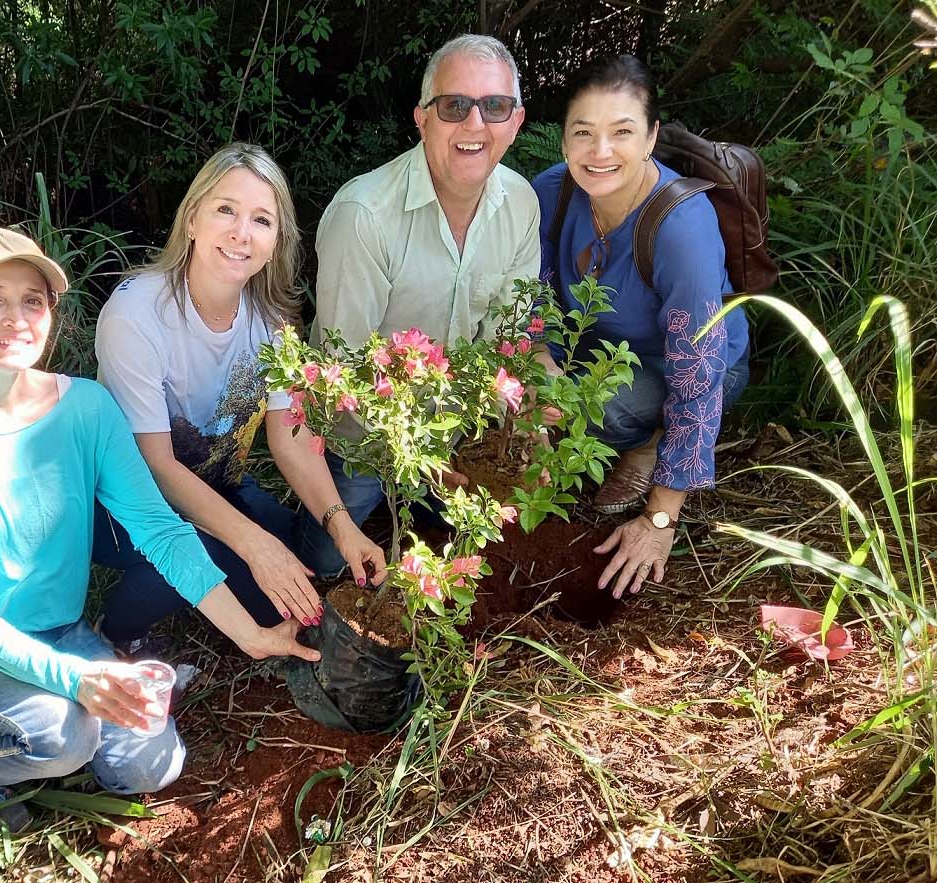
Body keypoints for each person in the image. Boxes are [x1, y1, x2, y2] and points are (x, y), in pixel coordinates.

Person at [0, 227, 319, 832]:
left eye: (33, 300)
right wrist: (78, 679)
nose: (16, 317)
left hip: (58, 630)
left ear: (51, 314)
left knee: (152, 766)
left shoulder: (87, 408)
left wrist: (249, 635)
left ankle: (41, 733)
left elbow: (159, 531)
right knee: (62, 738)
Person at [94, 143, 387, 651]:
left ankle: (223, 575)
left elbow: (290, 439)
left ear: (275, 243)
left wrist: (343, 527)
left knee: (308, 565)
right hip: (124, 506)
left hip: (218, 485)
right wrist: (252, 544)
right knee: (203, 553)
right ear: (192, 220)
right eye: (225, 210)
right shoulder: (135, 315)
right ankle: (115, 637)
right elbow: (157, 467)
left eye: (261, 220)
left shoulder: (272, 322)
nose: (240, 233)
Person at [300, 33, 549, 576]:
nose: (475, 125)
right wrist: (419, 459)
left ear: (517, 120)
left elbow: (511, 334)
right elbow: (340, 370)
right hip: (363, 438)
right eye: (455, 106)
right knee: (322, 565)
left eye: (495, 107)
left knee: (502, 553)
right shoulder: (363, 216)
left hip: (459, 429)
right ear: (422, 117)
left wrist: (526, 421)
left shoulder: (522, 202)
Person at [531, 55, 751, 600]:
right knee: (524, 407)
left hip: (684, 365)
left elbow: (697, 374)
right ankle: (607, 433)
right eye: (583, 132)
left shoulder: (680, 226)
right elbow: (532, 300)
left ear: (651, 137)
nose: (600, 152)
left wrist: (659, 520)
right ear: (563, 140)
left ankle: (650, 446)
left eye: (621, 132)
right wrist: (539, 363)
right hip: (591, 355)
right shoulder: (551, 193)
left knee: (591, 411)